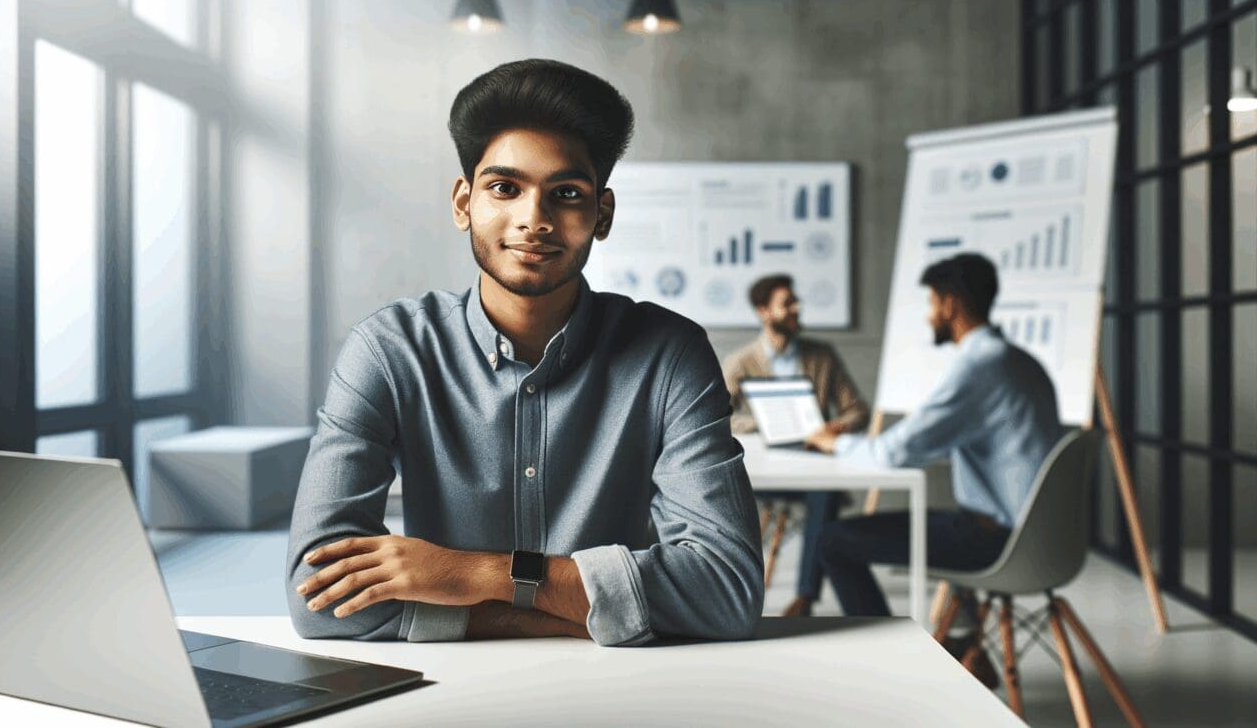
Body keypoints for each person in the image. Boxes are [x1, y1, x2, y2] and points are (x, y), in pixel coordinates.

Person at [285, 59, 763, 647]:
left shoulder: (670, 354)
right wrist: (575, 610)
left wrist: (474, 575)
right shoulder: (387, 351)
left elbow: (727, 592)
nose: (533, 219)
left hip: (627, 688)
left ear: (601, 215)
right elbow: (318, 598)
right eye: (504, 188)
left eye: (566, 193)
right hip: (454, 691)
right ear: (464, 202)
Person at [805, 253, 1061, 679]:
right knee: (944, 521)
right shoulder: (1019, 361)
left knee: (832, 540)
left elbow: (894, 452)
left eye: (930, 304)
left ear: (950, 305)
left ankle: (891, 670)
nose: (928, 317)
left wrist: (835, 443)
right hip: (1044, 537)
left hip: (1001, 541)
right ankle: (962, 644)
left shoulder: (979, 365)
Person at [722, 274, 869, 617]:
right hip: (764, 468)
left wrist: (833, 427)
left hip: (812, 461)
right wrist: (763, 426)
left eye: (795, 302)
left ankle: (805, 597)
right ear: (763, 311)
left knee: (826, 491)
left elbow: (856, 409)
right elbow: (716, 415)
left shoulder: (822, 356)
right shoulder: (742, 361)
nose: (796, 309)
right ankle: (734, 596)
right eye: (786, 303)